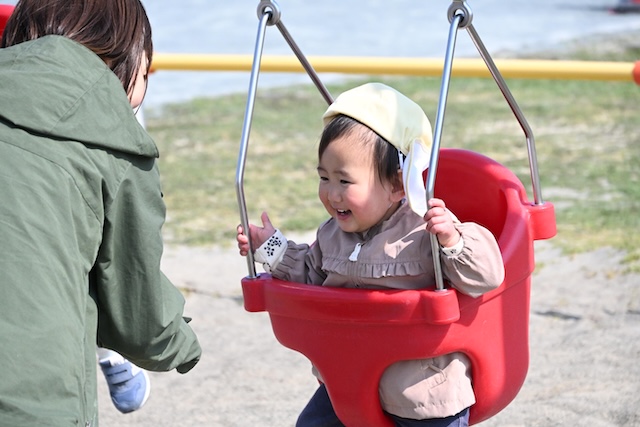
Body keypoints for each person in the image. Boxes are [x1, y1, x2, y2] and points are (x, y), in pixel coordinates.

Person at [236, 82, 505, 427]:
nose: (332, 194)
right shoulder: (332, 234)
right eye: (324, 178)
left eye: (344, 182)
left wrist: (453, 239)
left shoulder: (427, 229)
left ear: (397, 185)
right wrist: (270, 247)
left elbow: (487, 277)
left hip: (421, 391)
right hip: (351, 378)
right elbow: (311, 277)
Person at [0, 0, 202, 425]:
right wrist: (184, 343)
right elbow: (140, 314)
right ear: (128, 57)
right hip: (31, 401)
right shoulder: (113, 142)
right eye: (146, 70)